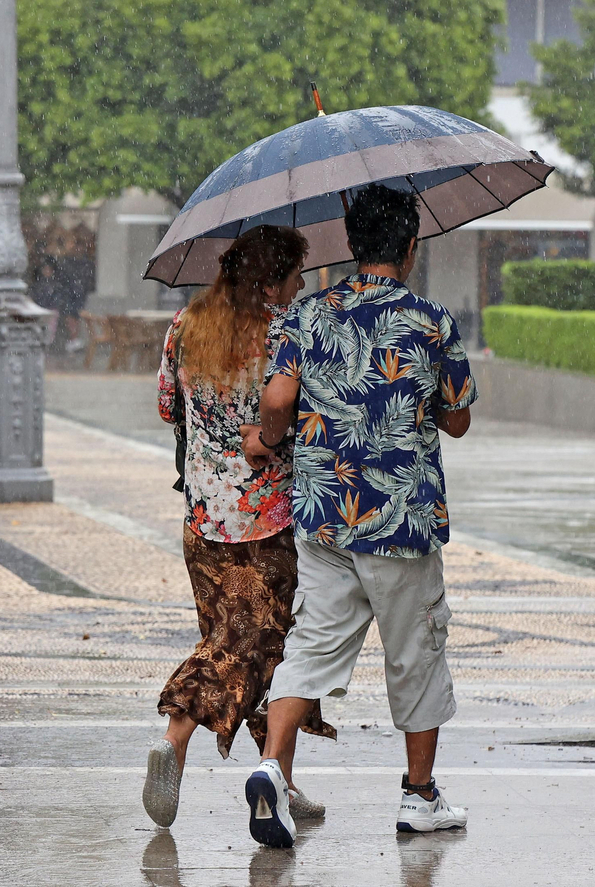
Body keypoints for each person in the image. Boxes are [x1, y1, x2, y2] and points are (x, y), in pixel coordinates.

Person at [241, 185, 477, 848]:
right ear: (409, 246)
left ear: (349, 244)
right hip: (403, 521)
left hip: (324, 515)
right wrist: (418, 400)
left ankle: (273, 771)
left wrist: (277, 433)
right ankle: (419, 796)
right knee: (416, 655)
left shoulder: (305, 315)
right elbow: (457, 420)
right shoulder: (431, 320)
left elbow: (278, 401)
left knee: (311, 645)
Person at [143, 224, 335, 829]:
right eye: (294, 274)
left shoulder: (183, 327)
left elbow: (168, 408)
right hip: (267, 526)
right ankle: (176, 739)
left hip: (202, 521)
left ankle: (275, 781)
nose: (300, 284)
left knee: (243, 648)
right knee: (260, 650)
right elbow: (292, 416)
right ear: (269, 279)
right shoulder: (283, 334)